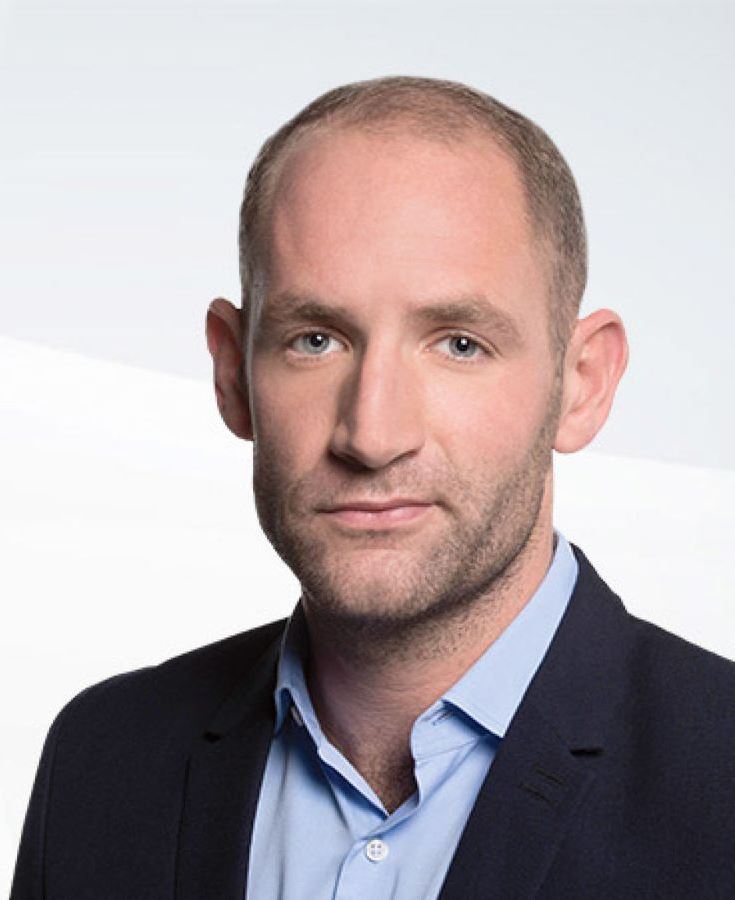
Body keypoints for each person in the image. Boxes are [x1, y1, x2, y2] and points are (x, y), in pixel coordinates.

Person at [11, 76, 734, 900]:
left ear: (582, 385)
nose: (372, 433)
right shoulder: (101, 762)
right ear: (233, 373)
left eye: (458, 344)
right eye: (315, 340)